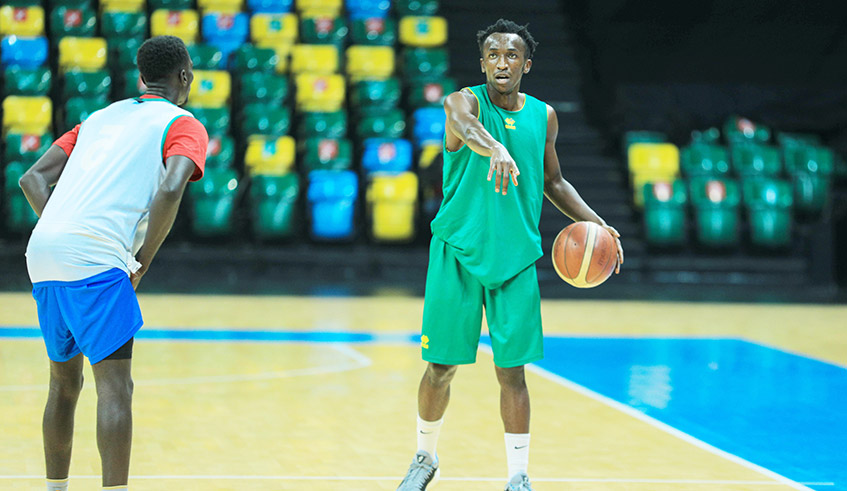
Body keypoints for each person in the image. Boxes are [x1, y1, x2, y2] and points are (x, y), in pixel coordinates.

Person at [396, 19, 624, 491]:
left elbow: (554, 182)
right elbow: (464, 126)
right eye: (494, 55)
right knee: (440, 368)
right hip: (457, 251)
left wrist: (598, 223)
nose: (502, 63)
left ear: (527, 64)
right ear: (482, 63)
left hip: (516, 258)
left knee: (512, 372)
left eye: (512, 55)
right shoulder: (462, 102)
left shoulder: (545, 117)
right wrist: (494, 146)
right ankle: (425, 457)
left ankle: (518, 478)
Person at [19, 35, 208, 491]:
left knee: (63, 385)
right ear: (183, 76)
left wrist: (64, 227)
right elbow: (170, 188)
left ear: (141, 77)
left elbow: (31, 178)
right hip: (95, 259)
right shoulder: (184, 125)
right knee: (115, 388)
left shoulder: (97, 119)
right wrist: (140, 261)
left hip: (43, 253)